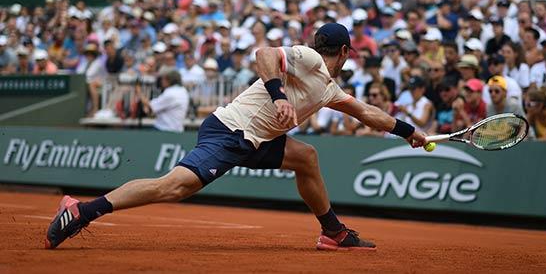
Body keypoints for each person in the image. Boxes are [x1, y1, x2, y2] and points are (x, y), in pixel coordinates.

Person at [45, 23, 427, 251]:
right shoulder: (308, 58)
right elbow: (264, 53)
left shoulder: (328, 88)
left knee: (306, 157)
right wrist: (278, 95)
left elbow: (365, 112)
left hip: (257, 139)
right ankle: (82, 211)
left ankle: (333, 233)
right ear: (344, 51)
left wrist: (408, 132)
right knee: (175, 187)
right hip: (231, 130)